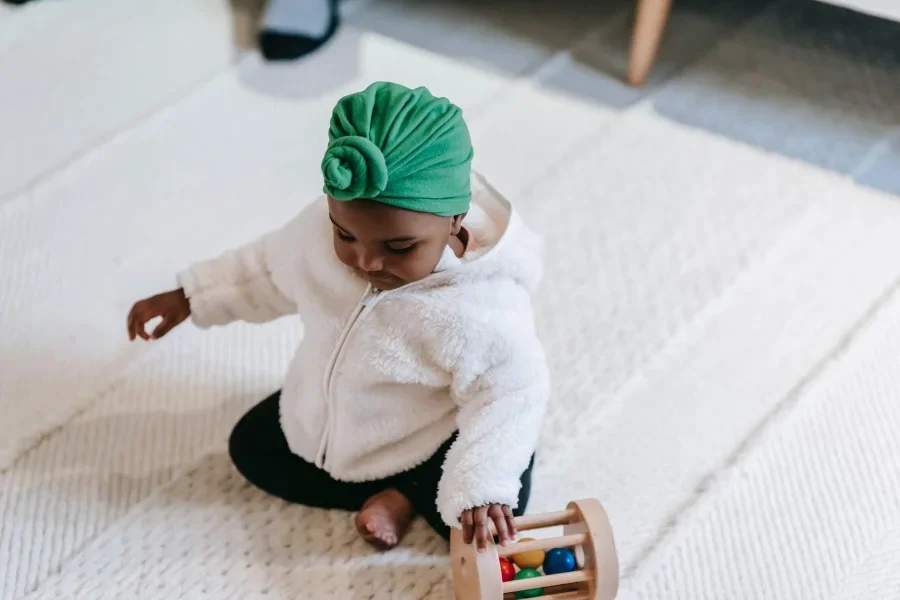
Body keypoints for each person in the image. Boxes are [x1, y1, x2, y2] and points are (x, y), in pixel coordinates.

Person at [127, 81, 550, 551]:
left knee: (479, 518)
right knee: (251, 450)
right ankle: (387, 489)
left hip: (433, 436)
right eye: (345, 235)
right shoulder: (317, 235)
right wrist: (192, 295)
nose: (366, 262)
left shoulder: (480, 307)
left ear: (455, 218)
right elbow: (267, 270)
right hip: (348, 429)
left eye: (399, 247)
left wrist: (483, 485)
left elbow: (513, 390)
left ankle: (409, 493)